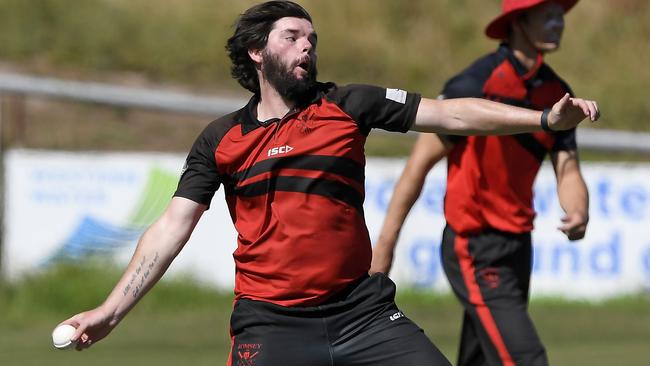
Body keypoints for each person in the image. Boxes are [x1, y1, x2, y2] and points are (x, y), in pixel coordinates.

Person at [57, 1, 598, 365]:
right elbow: (172, 226)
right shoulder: (220, 139)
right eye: (291, 36)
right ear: (256, 52)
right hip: (270, 326)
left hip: (363, 313)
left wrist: (543, 121)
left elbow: (452, 114)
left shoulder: (347, 104)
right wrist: (110, 310)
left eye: (312, 38)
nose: (307, 45)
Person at [371, 0, 589, 365]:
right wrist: (385, 247)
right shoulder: (476, 82)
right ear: (519, 22)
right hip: (474, 246)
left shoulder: (556, 93)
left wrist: (578, 209)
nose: (559, 23)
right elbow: (417, 166)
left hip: (518, 246)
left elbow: (567, 169)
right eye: (547, 15)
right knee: (525, 358)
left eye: (559, 15)